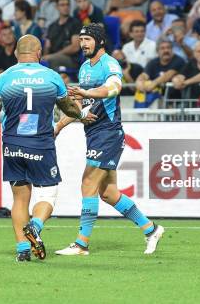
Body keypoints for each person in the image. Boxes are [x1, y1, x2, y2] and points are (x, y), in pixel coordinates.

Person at [0, 34, 92, 262]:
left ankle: (22, 249)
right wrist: (81, 114)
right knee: (48, 193)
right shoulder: (51, 77)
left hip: (12, 143)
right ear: (39, 53)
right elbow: (68, 107)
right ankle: (35, 227)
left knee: (20, 198)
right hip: (41, 142)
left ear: (15, 53)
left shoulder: (3, 78)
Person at [54, 24, 165, 256]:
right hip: (94, 132)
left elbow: (113, 88)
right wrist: (60, 125)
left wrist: (87, 93)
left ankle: (82, 244)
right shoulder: (84, 67)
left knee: (88, 184)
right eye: (81, 39)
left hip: (108, 133)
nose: (83, 43)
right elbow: (83, 105)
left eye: (87, 39)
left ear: (100, 42)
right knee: (109, 193)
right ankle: (151, 229)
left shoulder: (110, 64)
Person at [44, 0, 82, 70]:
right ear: (57, 7)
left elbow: (75, 47)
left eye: (67, 5)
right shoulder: (52, 26)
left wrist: (52, 56)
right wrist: (45, 54)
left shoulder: (75, 23)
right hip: (53, 56)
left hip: (71, 59)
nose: (65, 7)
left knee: (50, 60)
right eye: (62, 5)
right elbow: (47, 46)